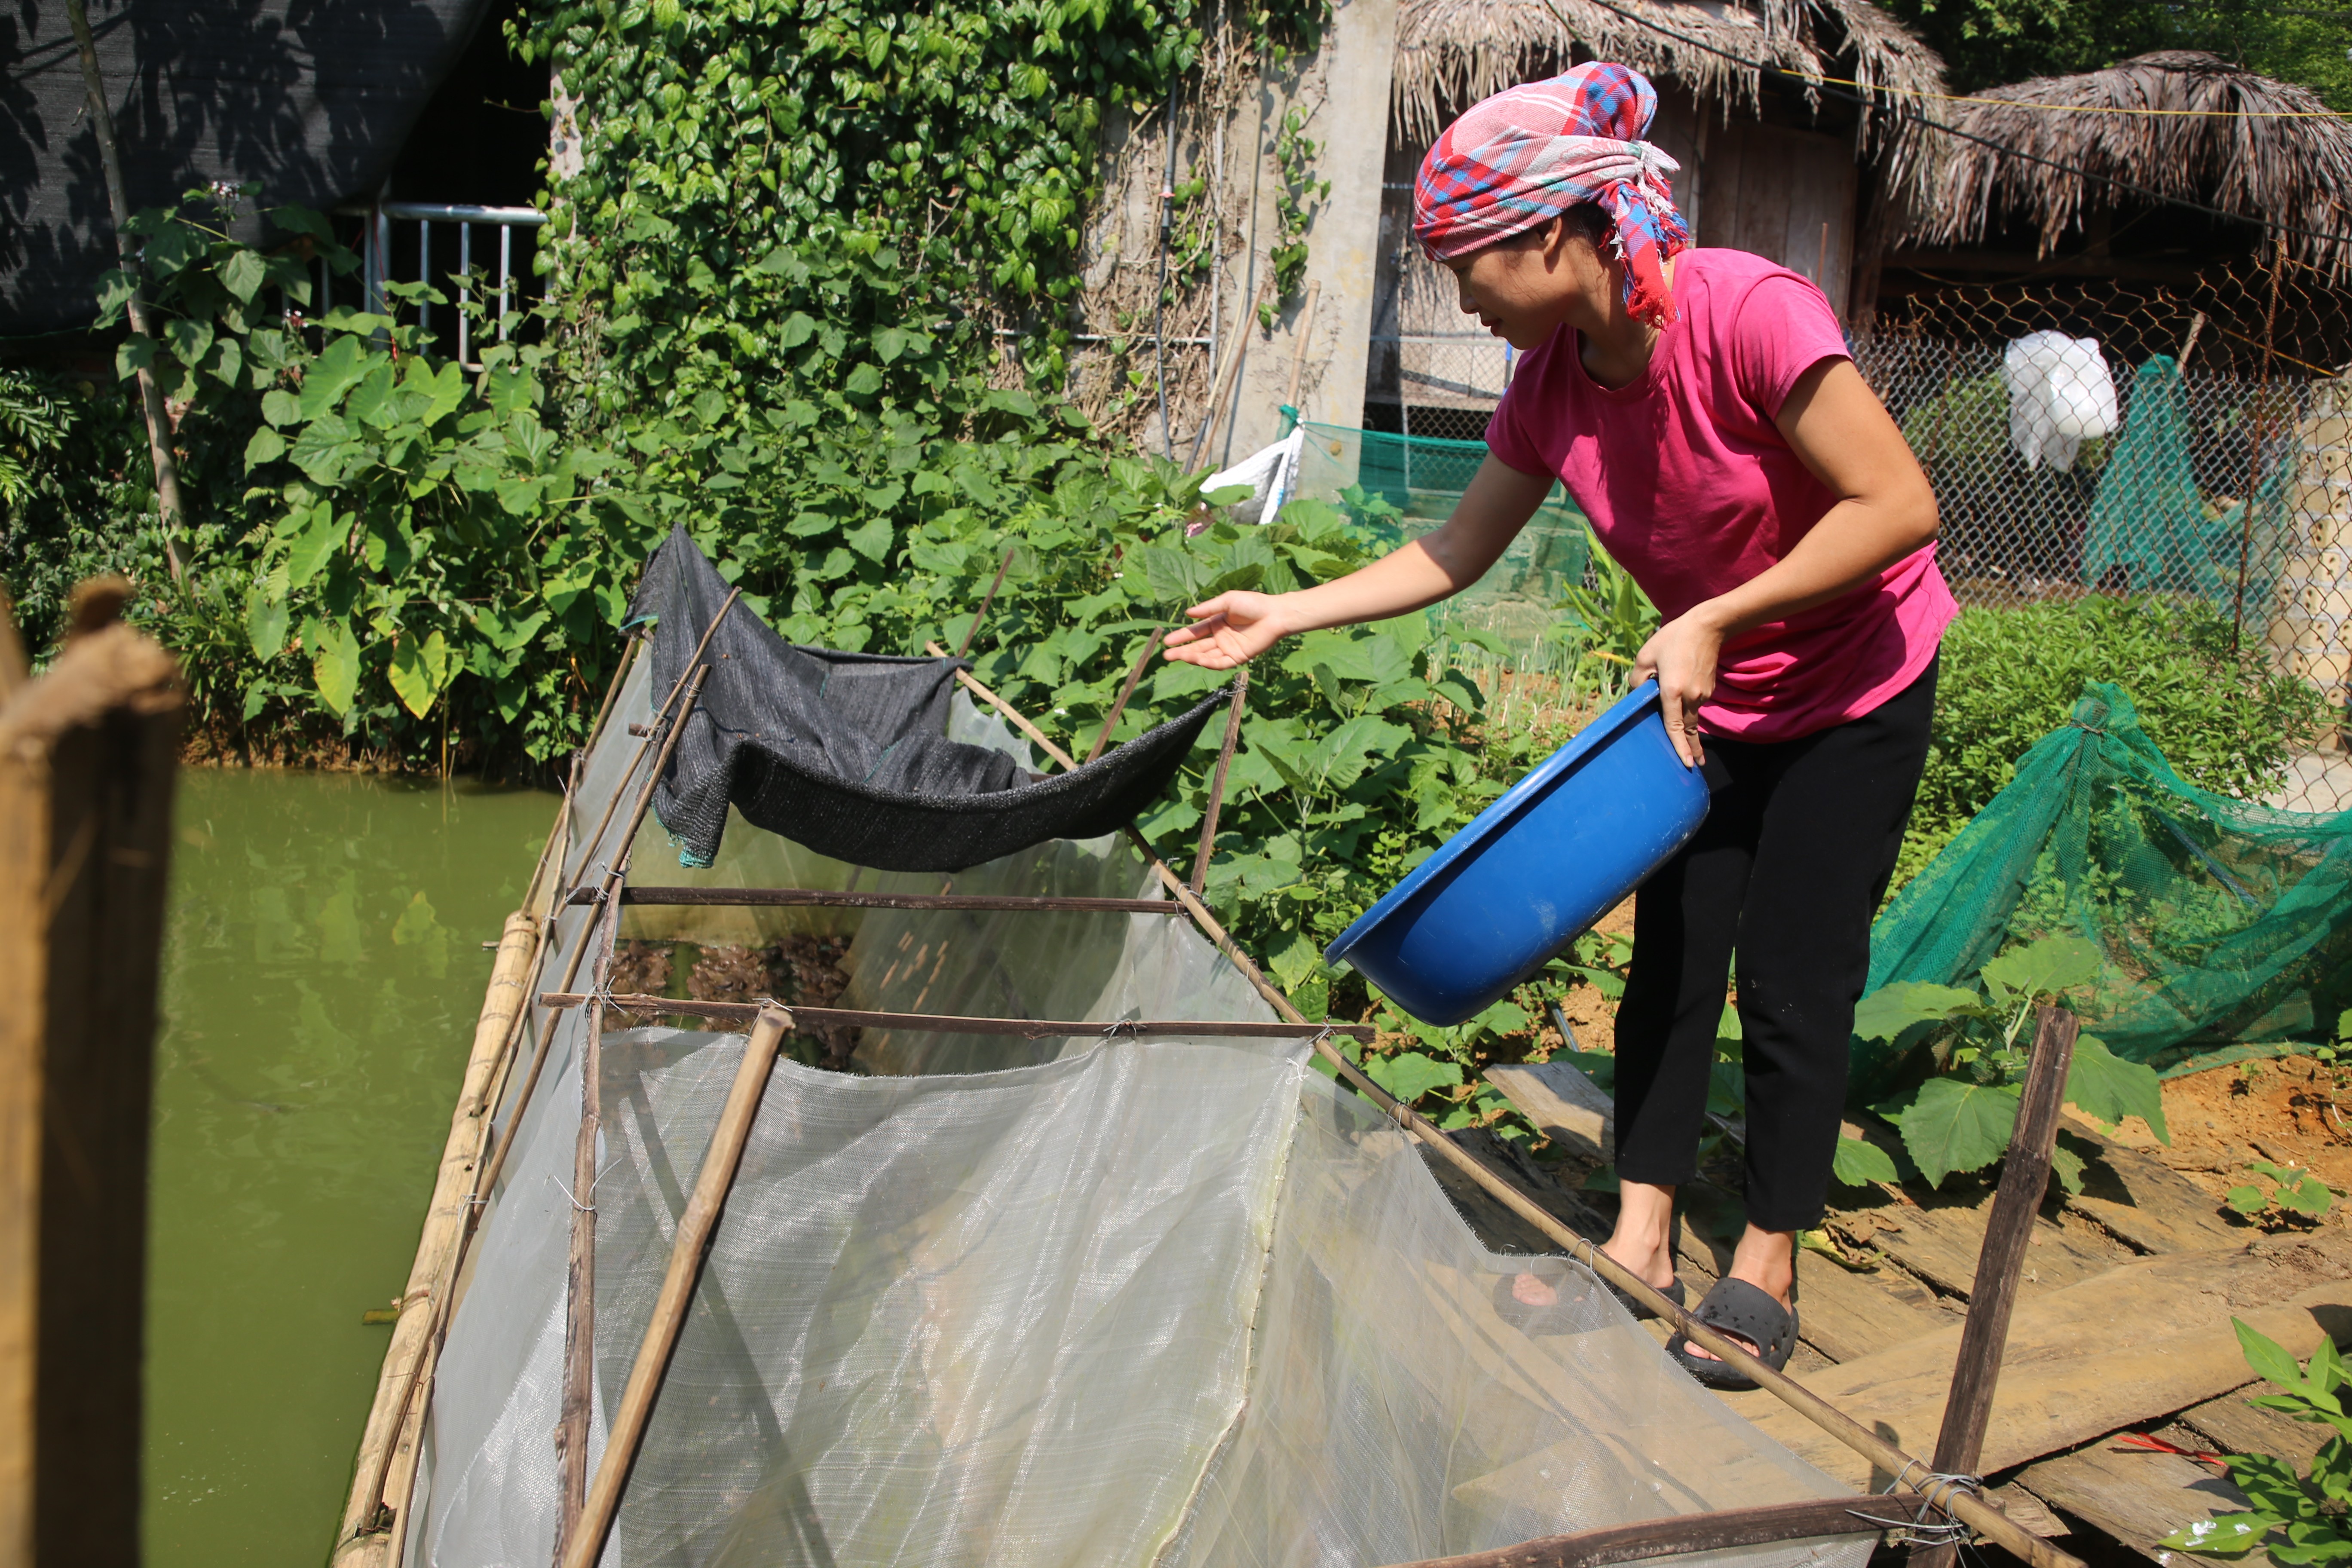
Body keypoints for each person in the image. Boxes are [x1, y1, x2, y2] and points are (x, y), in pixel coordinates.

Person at [1161, 61, 1953, 1390]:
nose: (1460, 297)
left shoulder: (1747, 313)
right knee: (1676, 954)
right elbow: (1456, 552)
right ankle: (1641, 1238)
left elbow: (1897, 506)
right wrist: (1285, 614)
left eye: (1466, 267)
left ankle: (1764, 1260)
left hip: (1851, 682)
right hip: (1706, 691)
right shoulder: (1551, 382)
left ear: (1549, 235)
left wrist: (1719, 614)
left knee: (1797, 976)